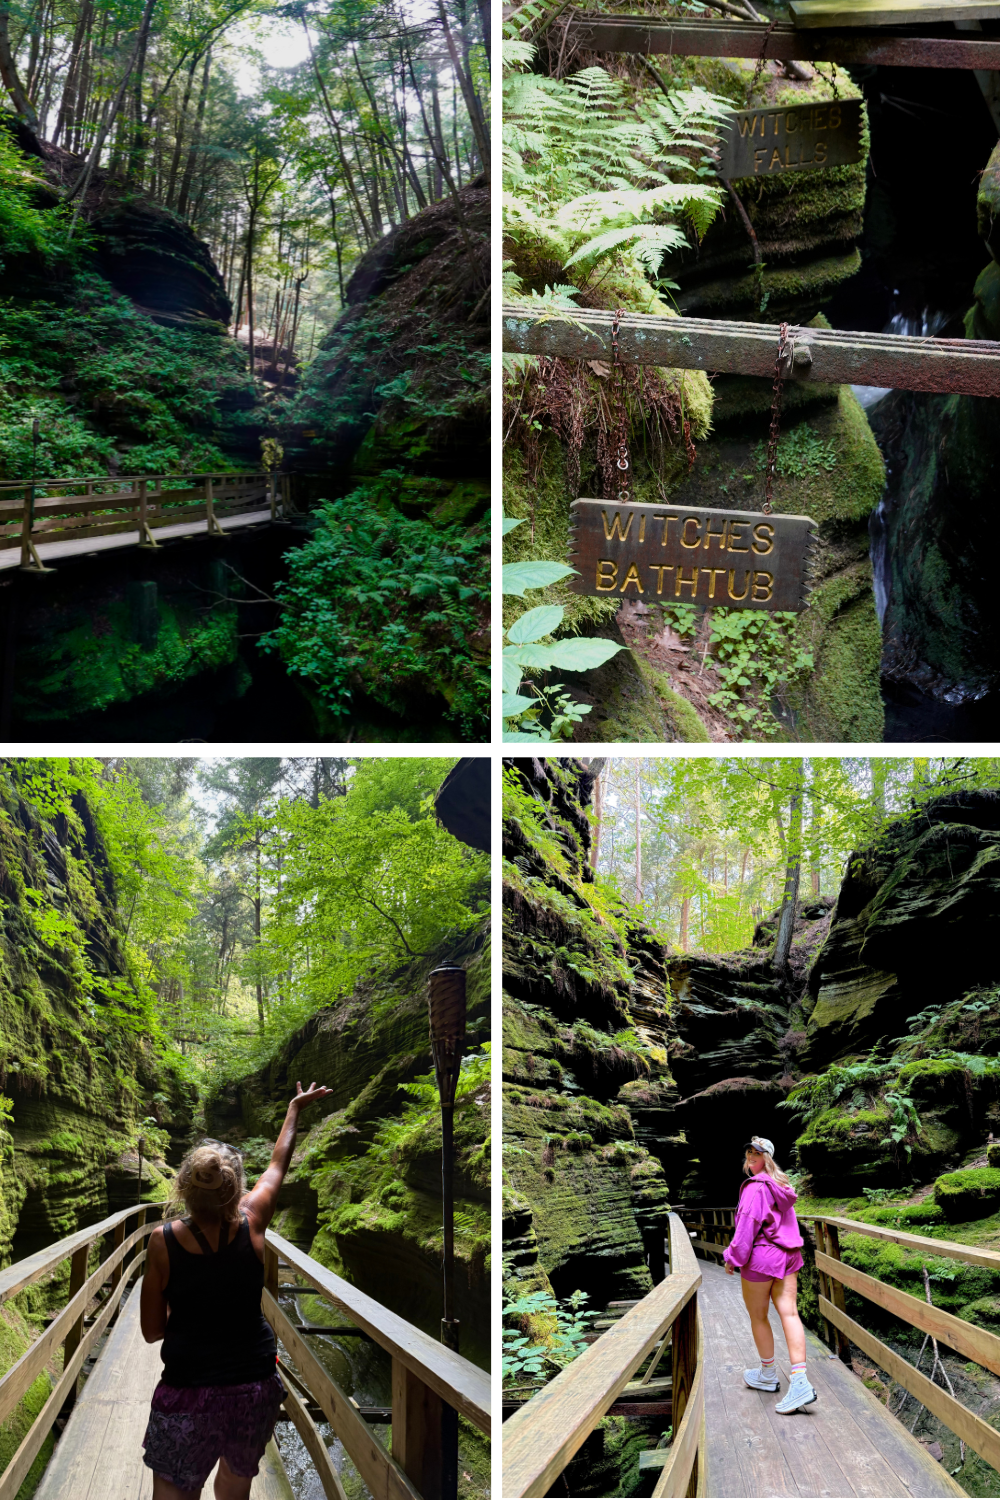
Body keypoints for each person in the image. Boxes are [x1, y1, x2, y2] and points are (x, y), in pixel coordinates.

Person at [140, 1080, 332, 1499]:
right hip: (254, 1385)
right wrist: (293, 1110)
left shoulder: (162, 1241)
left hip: (188, 1389)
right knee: (236, 1482)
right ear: (236, 1188)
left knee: (174, 1489)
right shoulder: (254, 1219)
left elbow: (152, 1331)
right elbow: (278, 1165)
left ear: (184, 1189)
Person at [722, 1134, 816, 1414]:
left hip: (762, 1258)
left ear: (767, 1158)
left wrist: (732, 1257)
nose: (751, 1157)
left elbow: (747, 1226)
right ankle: (799, 1382)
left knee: (759, 1315)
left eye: (756, 1153)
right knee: (790, 1313)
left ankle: (767, 1375)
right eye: (749, 1153)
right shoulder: (782, 1186)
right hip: (788, 1256)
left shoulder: (755, 1187)